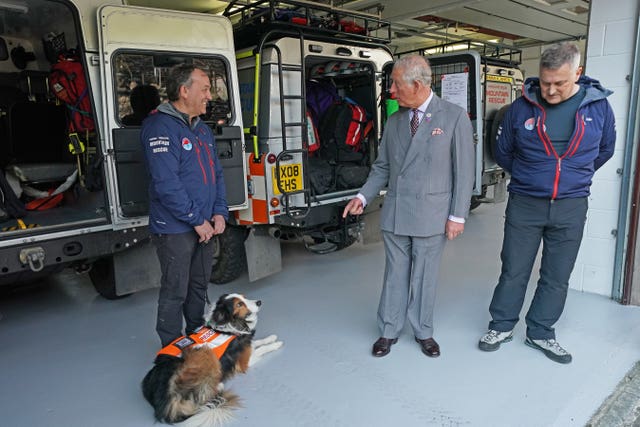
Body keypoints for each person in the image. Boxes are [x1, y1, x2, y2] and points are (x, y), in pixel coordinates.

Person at [478, 42, 616, 364]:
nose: (550, 91)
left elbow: (605, 149)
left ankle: (540, 331)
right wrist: (532, 177)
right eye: (544, 82)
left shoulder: (598, 107)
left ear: (578, 74)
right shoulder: (520, 108)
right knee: (514, 268)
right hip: (525, 203)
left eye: (560, 83)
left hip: (571, 205)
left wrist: (573, 177)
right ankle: (501, 325)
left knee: (557, 273)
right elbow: (503, 152)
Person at [342, 55, 475, 358]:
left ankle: (423, 331)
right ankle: (389, 330)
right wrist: (362, 197)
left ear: (417, 85)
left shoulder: (453, 117)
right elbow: (382, 167)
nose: (391, 91)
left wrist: (458, 216)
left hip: (433, 214)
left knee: (425, 276)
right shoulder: (395, 120)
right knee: (395, 275)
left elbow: (464, 172)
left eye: (395, 85)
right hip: (397, 212)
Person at [141, 64, 228, 347]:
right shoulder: (159, 127)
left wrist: (219, 212)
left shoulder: (201, 129)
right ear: (184, 90)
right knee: (175, 288)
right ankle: (172, 346)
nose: (209, 95)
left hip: (203, 222)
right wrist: (195, 219)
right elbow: (167, 183)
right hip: (176, 227)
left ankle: (197, 335)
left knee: (199, 284)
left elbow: (216, 174)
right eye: (204, 89)